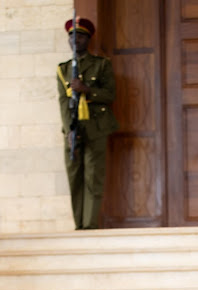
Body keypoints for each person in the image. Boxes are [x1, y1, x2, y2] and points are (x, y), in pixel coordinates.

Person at [57, 17, 118, 230]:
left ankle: (89, 226)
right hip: (74, 128)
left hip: (96, 127)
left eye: (80, 36)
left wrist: (87, 89)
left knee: (93, 177)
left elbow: (110, 95)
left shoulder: (101, 64)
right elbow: (63, 102)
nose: (75, 40)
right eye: (72, 36)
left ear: (88, 39)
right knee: (74, 177)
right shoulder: (62, 69)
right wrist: (68, 130)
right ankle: (78, 225)